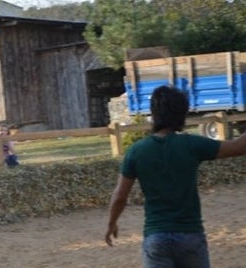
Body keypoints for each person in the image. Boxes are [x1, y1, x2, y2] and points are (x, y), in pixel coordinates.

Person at [105, 85, 246, 267]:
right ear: (182, 114)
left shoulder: (136, 151)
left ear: (154, 113)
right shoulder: (191, 145)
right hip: (190, 234)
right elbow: (239, 147)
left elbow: (119, 197)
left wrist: (111, 223)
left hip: (156, 236)